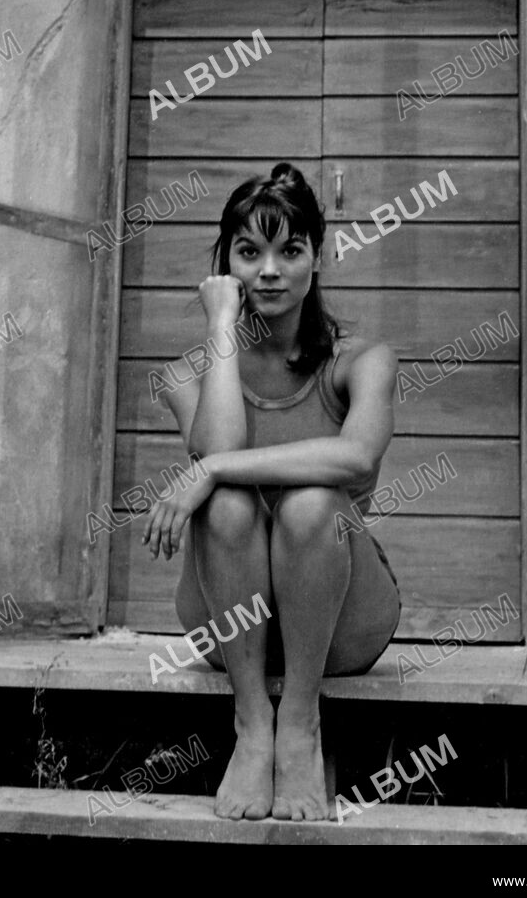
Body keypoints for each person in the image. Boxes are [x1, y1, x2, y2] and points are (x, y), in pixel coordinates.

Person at [142, 163, 401, 822]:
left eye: (290, 249)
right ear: (225, 264)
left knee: (311, 500)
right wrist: (222, 323)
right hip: (229, 623)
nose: (270, 270)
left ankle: (301, 723)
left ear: (320, 253)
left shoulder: (362, 358)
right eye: (249, 251)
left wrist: (213, 469)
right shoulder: (184, 375)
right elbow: (219, 448)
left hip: (341, 619)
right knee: (227, 503)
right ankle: (253, 723)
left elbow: (356, 454)